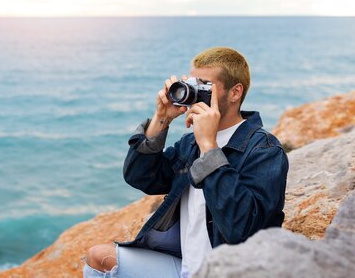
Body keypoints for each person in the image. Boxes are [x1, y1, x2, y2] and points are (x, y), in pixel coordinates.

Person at [84, 47, 289, 278]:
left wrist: (209, 147)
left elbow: (241, 229)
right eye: (192, 83)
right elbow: (141, 178)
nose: (193, 92)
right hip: (184, 269)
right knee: (97, 258)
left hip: (231, 272)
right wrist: (162, 118)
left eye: (204, 85)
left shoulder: (264, 149)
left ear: (235, 93)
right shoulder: (190, 143)